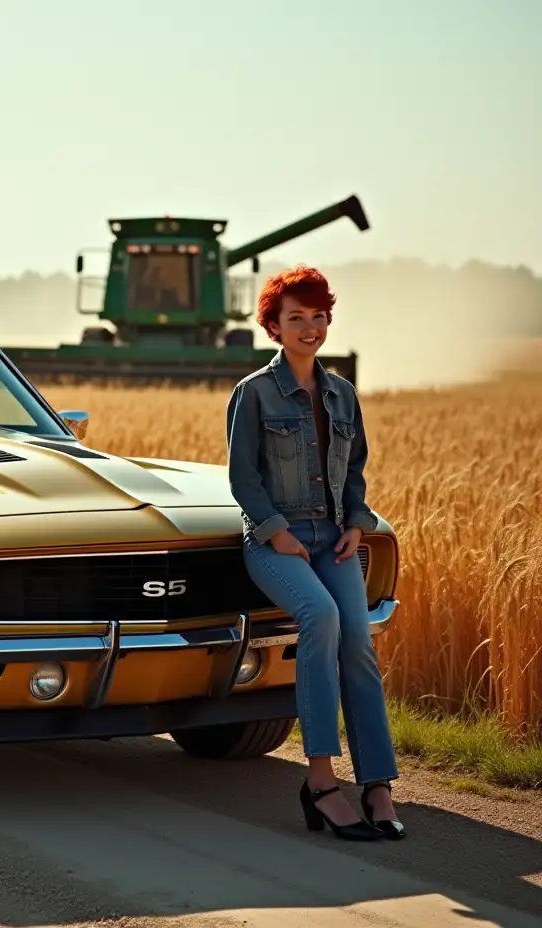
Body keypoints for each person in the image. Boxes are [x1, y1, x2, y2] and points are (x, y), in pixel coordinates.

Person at [225, 265, 405, 842]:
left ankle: (377, 783)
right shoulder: (252, 393)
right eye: (295, 318)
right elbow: (243, 479)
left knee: (358, 640)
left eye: (318, 316)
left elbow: (354, 470)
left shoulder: (341, 393)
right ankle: (323, 784)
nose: (310, 327)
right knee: (321, 618)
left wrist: (356, 521)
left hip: (335, 539)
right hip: (274, 541)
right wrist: (278, 532)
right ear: (274, 327)